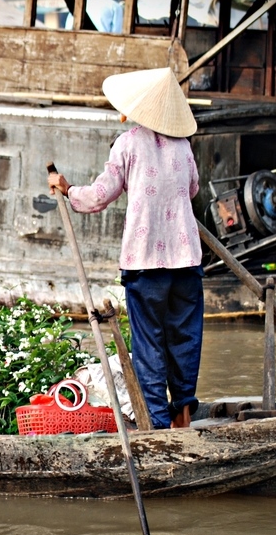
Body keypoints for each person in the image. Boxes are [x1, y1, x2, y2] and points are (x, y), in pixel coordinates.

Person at [47, 68, 202, 430]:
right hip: (186, 261)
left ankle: (159, 428)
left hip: (146, 263)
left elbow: (99, 196)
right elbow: (191, 189)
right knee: (184, 341)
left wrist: (68, 189)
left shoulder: (128, 144)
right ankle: (183, 417)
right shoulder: (184, 147)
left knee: (149, 346)